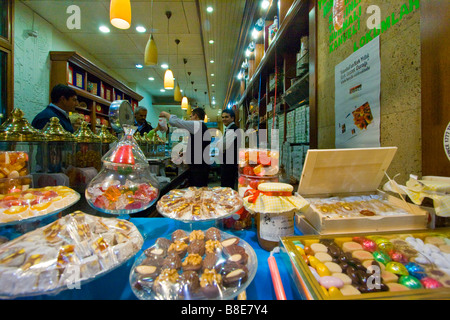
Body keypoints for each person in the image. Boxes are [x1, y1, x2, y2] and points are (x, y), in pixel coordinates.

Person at [159, 108, 211, 187]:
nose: (190, 119)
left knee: (197, 190)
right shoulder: (202, 127)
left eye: (191, 116)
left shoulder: (197, 125)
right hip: (202, 166)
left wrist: (166, 114)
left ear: (196, 116)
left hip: (198, 167)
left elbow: (176, 122)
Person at [216, 109, 240, 189]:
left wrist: (219, 144)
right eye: (222, 117)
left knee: (227, 187)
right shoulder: (230, 129)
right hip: (228, 163)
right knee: (227, 186)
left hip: (229, 164)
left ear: (232, 118)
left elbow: (222, 146)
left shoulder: (233, 129)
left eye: (226, 117)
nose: (223, 119)